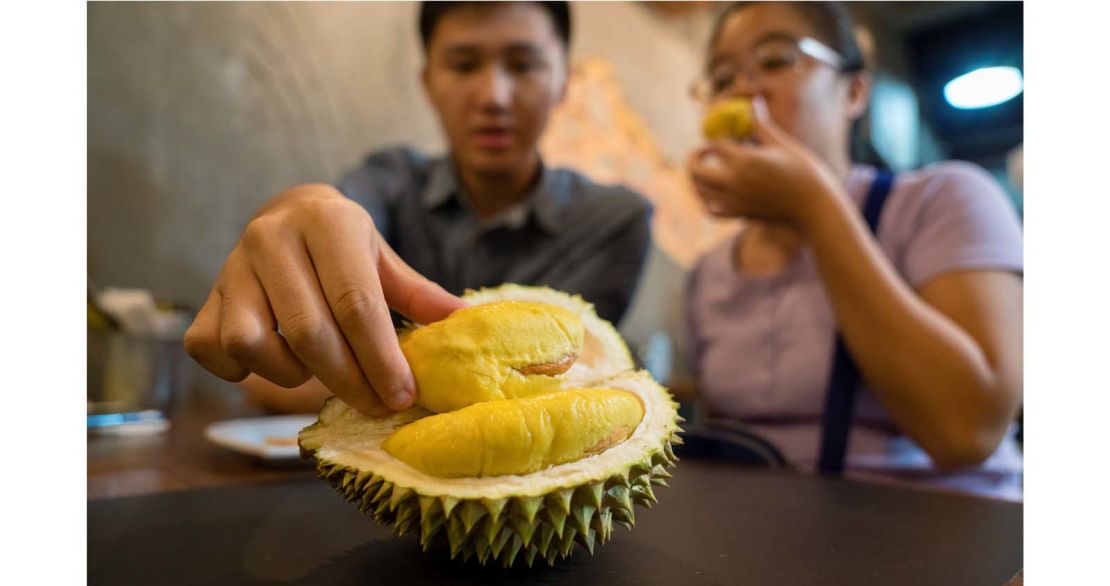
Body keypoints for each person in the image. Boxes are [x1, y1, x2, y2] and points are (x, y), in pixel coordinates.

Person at [184, 1, 651, 417]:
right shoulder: (390, 180)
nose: (493, 97)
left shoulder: (614, 221)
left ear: (563, 81)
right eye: (464, 65)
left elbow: (573, 379)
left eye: (524, 65)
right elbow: (334, 213)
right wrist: (299, 212)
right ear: (429, 82)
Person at [683, 2, 1024, 499]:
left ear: (855, 90)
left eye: (776, 61)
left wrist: (817, 208)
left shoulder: (943, 199)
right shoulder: (707, 274)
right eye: (721, 78)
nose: (742, 89)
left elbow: (968, 431)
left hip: (951, 531)